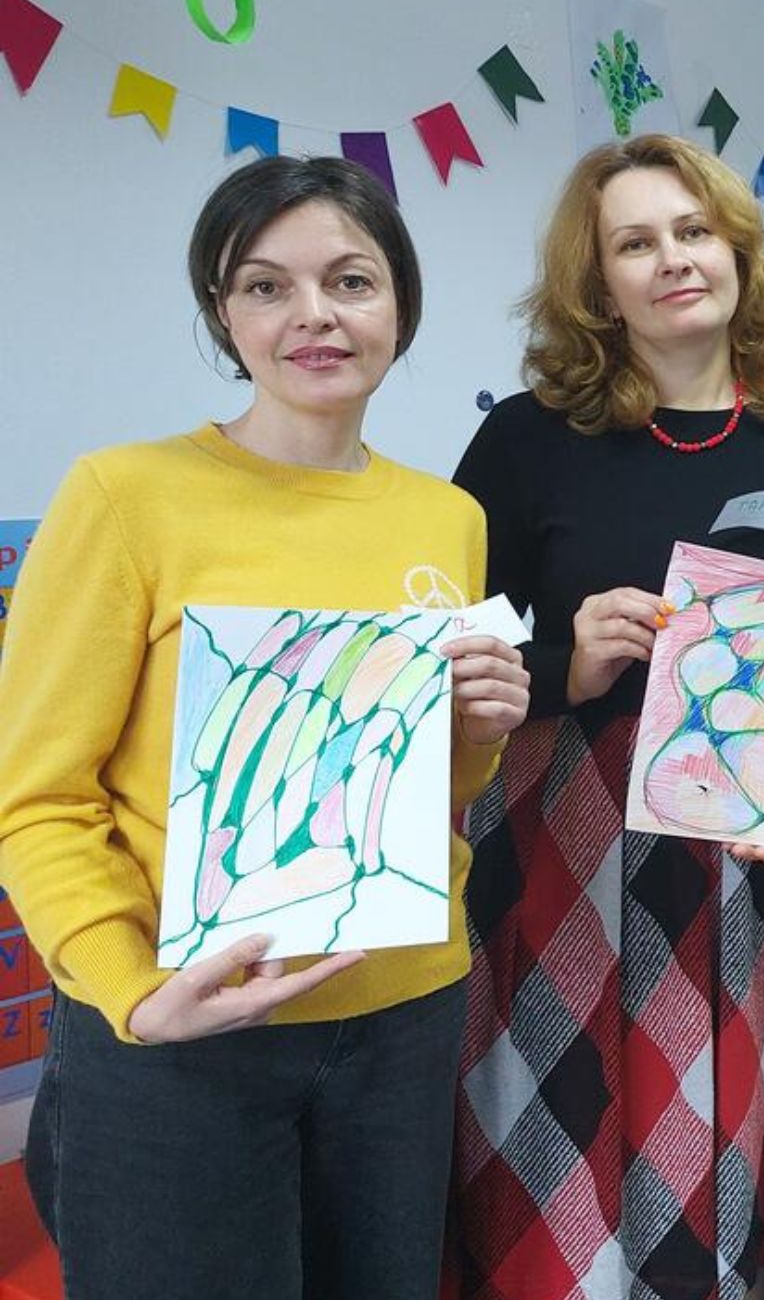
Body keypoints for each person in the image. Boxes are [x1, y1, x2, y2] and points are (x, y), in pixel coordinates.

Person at [0, 156, 530, 1300]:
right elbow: (37, 796)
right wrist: (130, 988)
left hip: (400, 1016)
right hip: (183, 1027)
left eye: (351, 280)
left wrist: (480, 728)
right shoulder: (124, 496)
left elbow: (426, 791)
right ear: (221, 313)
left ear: (400, 304)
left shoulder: (447, 515)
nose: (314, 317)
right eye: (264, 286)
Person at [447, 134, 764, 1299]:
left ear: (737, 252)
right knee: (564, 1110)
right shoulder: (527, 439)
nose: (671, 261)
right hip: (568, 845)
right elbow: (448, 650)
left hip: (745, 848)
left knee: (721, 1099)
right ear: (597, 284)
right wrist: (565, 661)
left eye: (692, 232)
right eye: (634, 243)